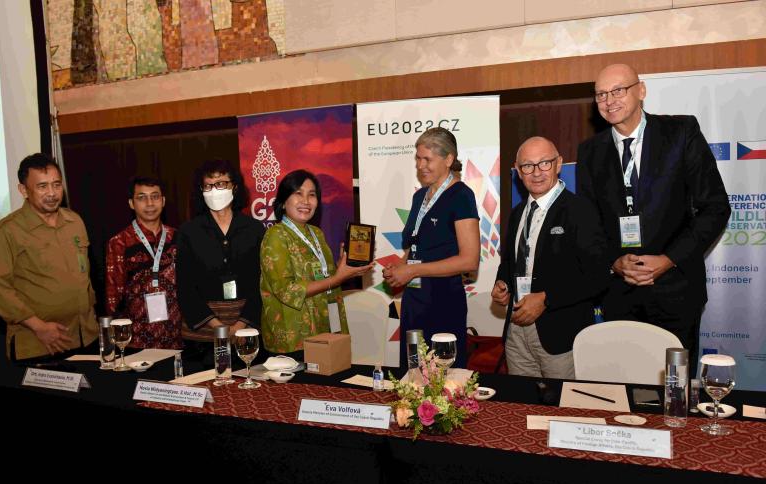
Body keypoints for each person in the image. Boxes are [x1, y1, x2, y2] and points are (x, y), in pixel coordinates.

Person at [577, 63, 731, 373]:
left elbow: (715, 207)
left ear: (641, 90)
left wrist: (669, 259)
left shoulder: (680, 132)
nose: (609, 101)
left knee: (675, 389)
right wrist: (613, 262)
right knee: (625, 388)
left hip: (676, 290)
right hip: (619, 294)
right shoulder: (590, 152)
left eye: (618, 90)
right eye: (601, 94)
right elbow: (589, 224)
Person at [492, 137, 608, 379]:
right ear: (518, 171)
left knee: (563, 401)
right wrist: (502, 283)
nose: (536, 172)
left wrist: (547, 298)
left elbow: (597, 277)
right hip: (516, 332)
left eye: (544, 163)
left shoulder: (580, 210)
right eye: (528, 166)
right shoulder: (517, 213)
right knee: (521, 399)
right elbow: (510, 262)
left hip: (561, 335)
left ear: (558, 164)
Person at [0, 153, 98, 360]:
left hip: (86, 336)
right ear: (23, 190)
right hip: (40, 343)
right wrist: (38, 327)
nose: (52, 193)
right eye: (42, 186)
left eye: (56, 185)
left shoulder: (74, 221)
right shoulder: (7, 231)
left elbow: (84, 273)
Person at [384, 127, 479, 369]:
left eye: (427, 159)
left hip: (444, 301)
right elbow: (416, 244)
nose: (420, 165)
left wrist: (413, 270)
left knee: (444, 377)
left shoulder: (461, 196)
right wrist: (400, 267)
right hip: (414, 301)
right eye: (418, 158)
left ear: (448, 159)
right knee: (412, 373)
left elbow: (469, 260)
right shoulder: (420, 197)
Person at [260, 170, 373, 358]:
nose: (306, 201)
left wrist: (344, 268)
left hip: (325, 326)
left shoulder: (316, 233)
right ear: (283, 201)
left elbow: (323, 277)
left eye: (311, 195)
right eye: (298, 193)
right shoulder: (276, 235)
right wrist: (336, 279)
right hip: (294, 336)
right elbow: (287, 291)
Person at [177, 159, 264, 353]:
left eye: (221, 183)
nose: (214, 190)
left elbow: (261, 282)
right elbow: (185, 286)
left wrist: (240, 325)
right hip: (202, 338)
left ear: (235, 187)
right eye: (208, 186)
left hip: (246, 331)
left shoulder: (254, 229)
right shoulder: (189, 231)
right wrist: (218, 326)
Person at [105, 176, 182, 349]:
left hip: (176, 337)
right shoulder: (119, 242)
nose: (149, 203)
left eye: (155, 196)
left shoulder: (178, 237)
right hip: (136, 340)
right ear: (131, 203)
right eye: (142, 198)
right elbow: (113, 297)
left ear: (163, 201)